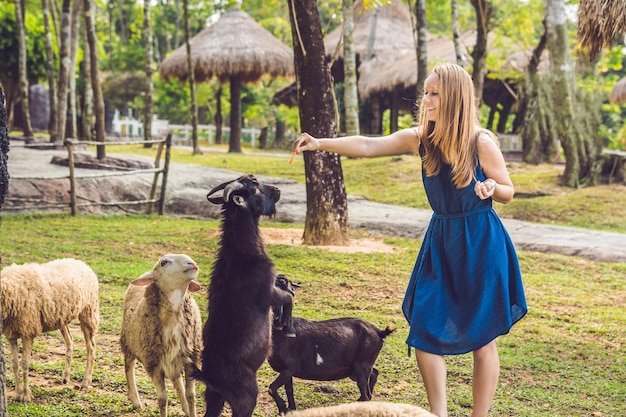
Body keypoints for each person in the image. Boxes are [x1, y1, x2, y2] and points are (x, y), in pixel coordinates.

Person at [292, 63, 527, 417]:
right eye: (426, 92)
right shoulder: (421, 138)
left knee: (484, 339)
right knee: (424, 330)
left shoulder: (481, 142)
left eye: (435, 93)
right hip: (441, 242)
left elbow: (509, 191)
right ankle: (439, 415)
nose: (427, 99)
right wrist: (320, 142)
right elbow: (369, 145)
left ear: (455, 98)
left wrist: (493, 188)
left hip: (481, 244)